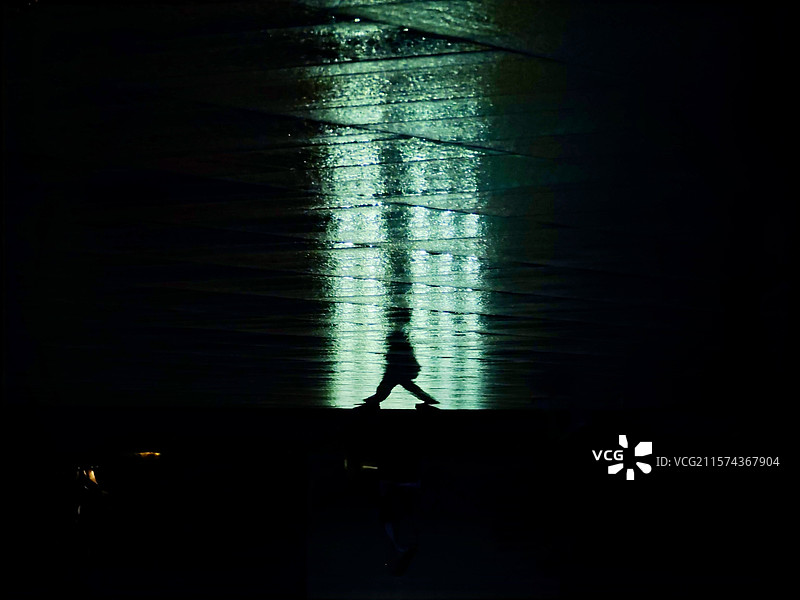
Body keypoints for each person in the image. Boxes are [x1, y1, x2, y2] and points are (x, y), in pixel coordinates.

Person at [359, 328, 439, 408]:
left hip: (396, 373)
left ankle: (373, 401)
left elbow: (394, 360)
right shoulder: (404, 348)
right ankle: (429, 400)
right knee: (408, 387)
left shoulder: (398, 348)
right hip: (400, 373)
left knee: (386, 389)